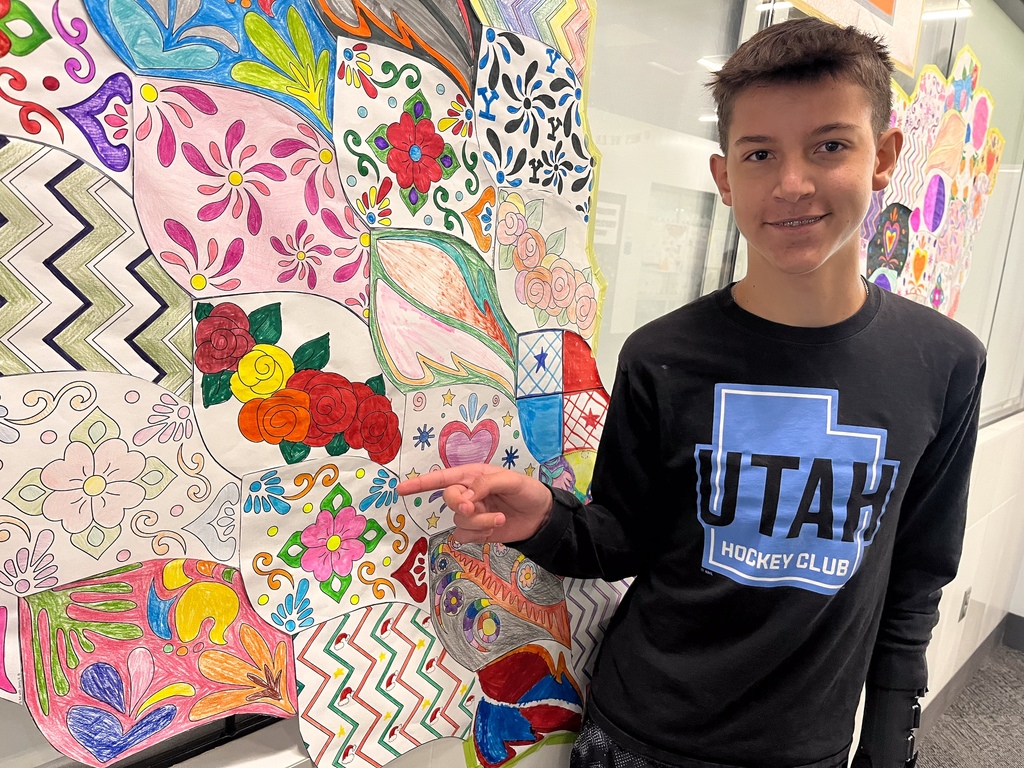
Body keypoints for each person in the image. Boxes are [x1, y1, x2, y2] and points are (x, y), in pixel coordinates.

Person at [398, 17, 985, 768]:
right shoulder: (663, 356)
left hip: (805, 748)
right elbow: (622, 541)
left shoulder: (943, 363)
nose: (793, 182)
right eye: (760, 154)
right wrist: (545, 518)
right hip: (638, 733)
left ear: (884, 157)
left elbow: (916, 580)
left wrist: (888, 743)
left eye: (830, 145)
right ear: (725, 177)